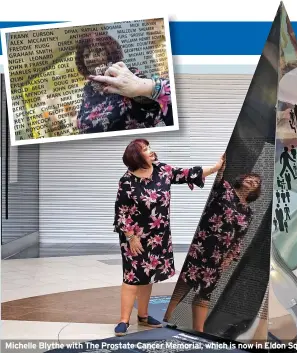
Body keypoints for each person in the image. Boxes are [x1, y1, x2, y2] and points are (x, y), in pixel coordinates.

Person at [113, 138, 224, 336]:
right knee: (131, 278)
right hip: (135, 239)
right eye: (146, 150)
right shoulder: (127, 181)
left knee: (148, 277)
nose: (151, 151)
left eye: (149, 148)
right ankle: (123, 320)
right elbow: (121, 212)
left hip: (158, 237)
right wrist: (131, 237)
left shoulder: (162, 171)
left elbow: (188, 174)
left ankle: (144, 316)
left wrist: (216, 167)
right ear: (137, 157)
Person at [164, 156, 262, 332]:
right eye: (250, 178)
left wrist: (229, 259)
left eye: (256, 182)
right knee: (184, 284)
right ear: (242, 179)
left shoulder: (248, 213)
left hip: (218, 257)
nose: (252, 181)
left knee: (205, 293)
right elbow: (218, 177)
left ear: (257, 190)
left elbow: (239, 239)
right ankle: (167, 317)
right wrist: (220, 164)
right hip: (201, 247)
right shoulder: (225, 189)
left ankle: (199, 330)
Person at [75, 31, 173, 134]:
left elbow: (156, 98)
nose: (91, 58)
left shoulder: (127, 74)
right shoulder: (88, 90)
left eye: (97, 52)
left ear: (109, 54)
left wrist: (140, 89)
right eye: (86, 55)